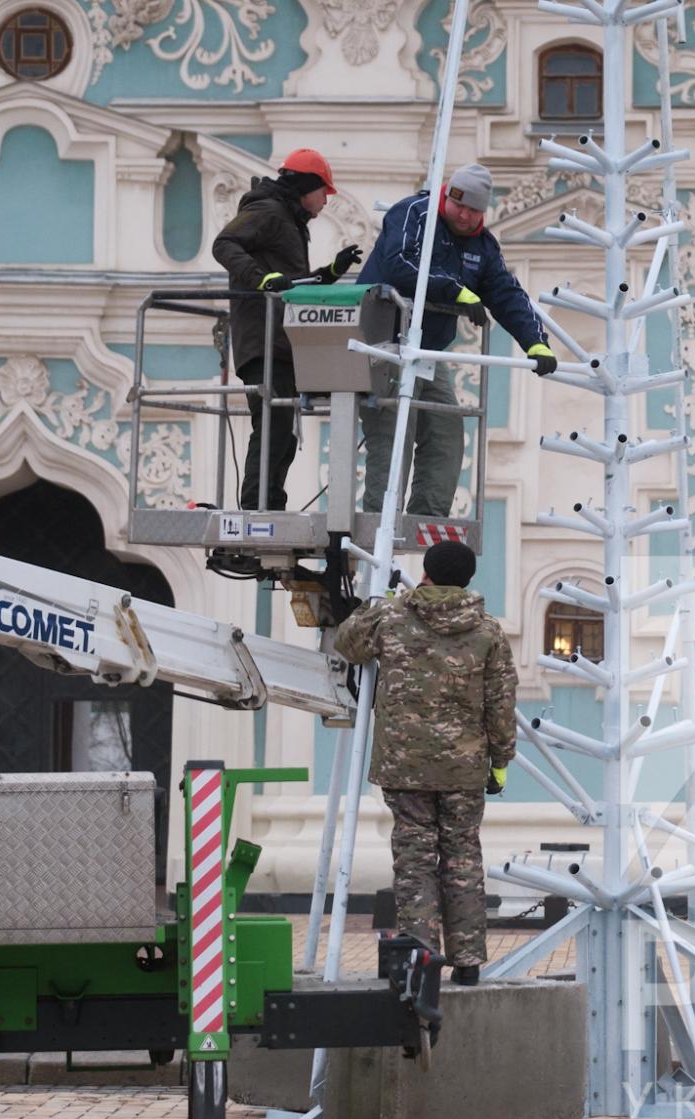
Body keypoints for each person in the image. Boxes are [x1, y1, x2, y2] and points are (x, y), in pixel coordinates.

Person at [333, 540, 517, 984]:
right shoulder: (488, 631)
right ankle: (469, 963)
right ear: (469, 578)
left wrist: (374, 603)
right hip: (465, 768)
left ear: (427, 572)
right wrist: (500, 762)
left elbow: (346, 644)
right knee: (462, 858)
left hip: (405, 766)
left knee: (414, 861)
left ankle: (421, 962)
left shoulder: (392, 616)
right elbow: (501, 705)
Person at [358, 163, 557, 517]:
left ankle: (427, 516)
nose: (463, 215)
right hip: (383, 345)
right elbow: (399, 264)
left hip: (426, 353)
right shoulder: (414, 213)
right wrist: (454, 290)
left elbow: (506, 295)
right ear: (447, 195)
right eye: (458, 205)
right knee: (393, 434)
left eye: (472, 210)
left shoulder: (482, 246)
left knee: (447, 431)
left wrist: (535, 342)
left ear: (483, 211)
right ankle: (380, 519)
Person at [211, 147, 364, 511]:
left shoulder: (287, 219)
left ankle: (269, 504)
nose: (326, 200)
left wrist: (331, 272)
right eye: (323, 191)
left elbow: (291, 284)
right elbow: (224, 244)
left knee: (282, 430)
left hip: (279, 341)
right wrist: (261, 280)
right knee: (273, 426)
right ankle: (257, 507)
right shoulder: (268, 212)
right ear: (305, 186)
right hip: (263, 340)